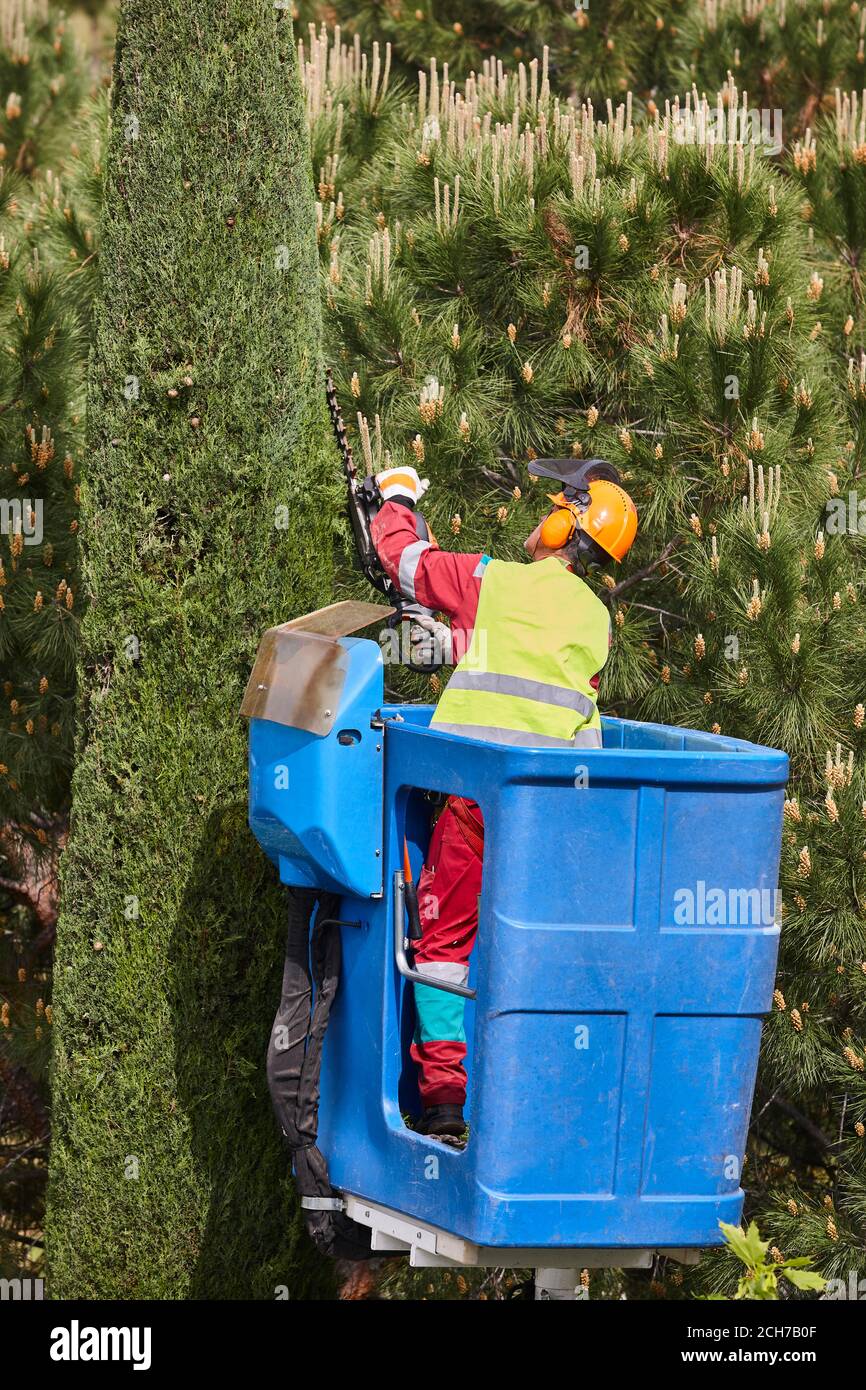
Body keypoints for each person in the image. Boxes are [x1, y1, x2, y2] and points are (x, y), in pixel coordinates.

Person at [370, 459, 638, 1139]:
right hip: (547, 813)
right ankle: (534, 1106)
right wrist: (458, 642)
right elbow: (561, 694)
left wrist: (396, 495)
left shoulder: (495, 580)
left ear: (561, 525)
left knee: (442, 943)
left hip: (475, 807)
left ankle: (441, 1099)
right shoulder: (594, 617)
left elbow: (401, 558)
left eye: (549, 506)